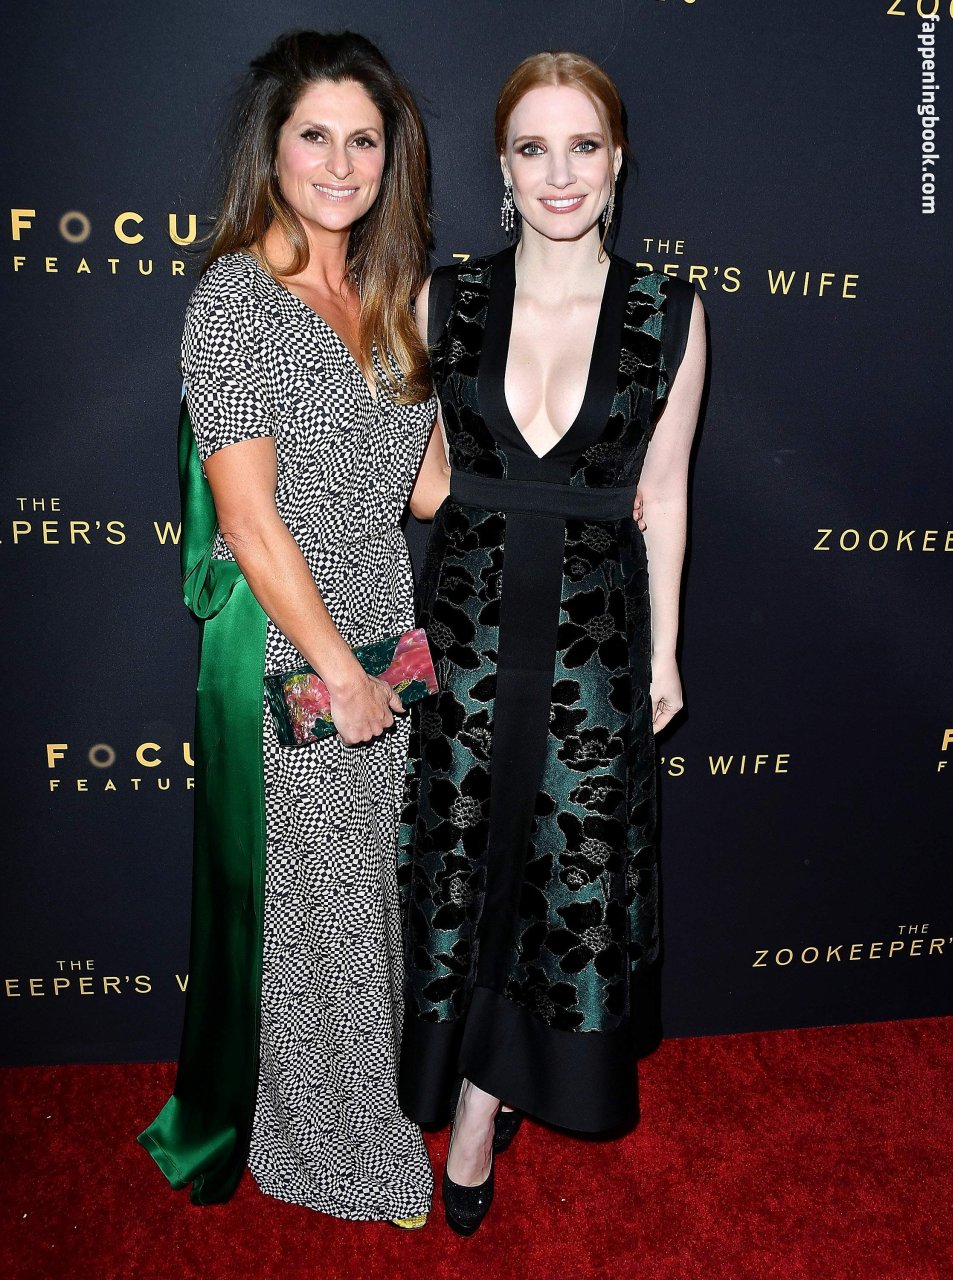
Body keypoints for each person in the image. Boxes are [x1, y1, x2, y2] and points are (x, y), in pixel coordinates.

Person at [398, 50, 706, 1235]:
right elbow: (418, 478)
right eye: (533, 147)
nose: (559, 172)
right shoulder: (444, 299)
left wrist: (664, 653)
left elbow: (663, 492)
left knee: (561, 876)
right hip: (465, 639)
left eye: (582, 145)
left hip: (592, 645)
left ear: (616, 160)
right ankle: (474, 1071)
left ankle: (480, 1107)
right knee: (466, 867)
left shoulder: (667, 310)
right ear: (502, 164)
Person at [138, 29, 435, 1226]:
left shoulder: (386, 295)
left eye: (364, 139)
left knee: (364, 901)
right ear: (272, 147)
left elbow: (427, 488)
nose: (341, 162)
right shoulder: (234, 301)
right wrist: (336, 673)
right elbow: (250, 523)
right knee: (313, 913)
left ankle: (358, 1103)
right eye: (315, 135)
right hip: (288, 643)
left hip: (383, 628)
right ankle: (338, 1156)